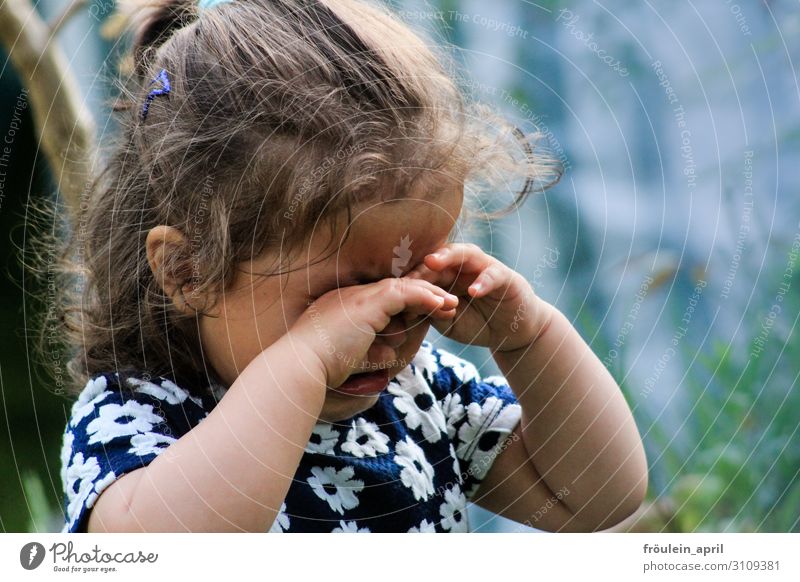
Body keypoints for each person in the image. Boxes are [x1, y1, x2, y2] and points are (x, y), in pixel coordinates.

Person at [51, 0, 647, 533]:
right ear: (188, 270)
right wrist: (305, 361)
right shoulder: (137, 415)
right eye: (343, 295)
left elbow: (596, 500)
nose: (384, 326)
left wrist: (532, 339)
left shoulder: (420, 396)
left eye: (414, 282)